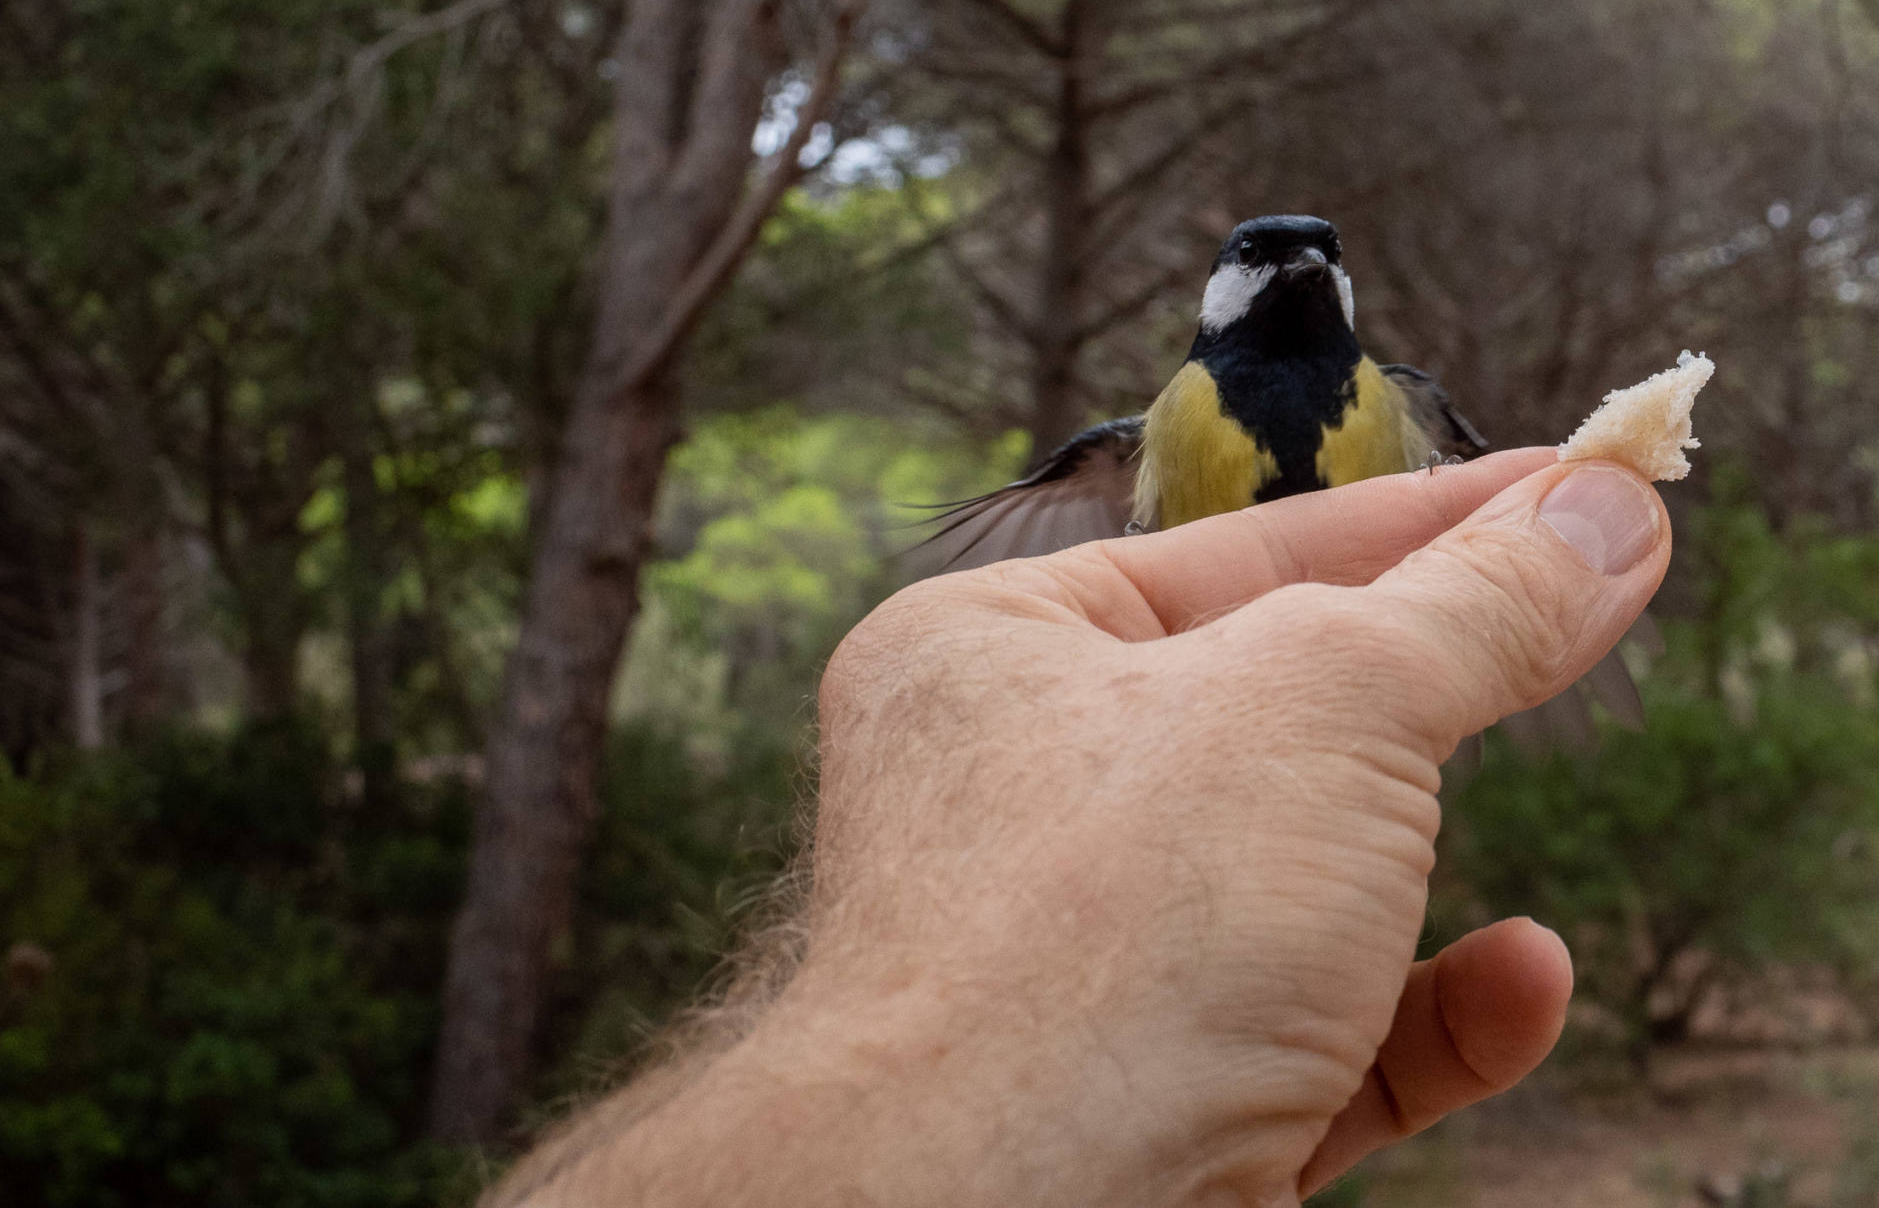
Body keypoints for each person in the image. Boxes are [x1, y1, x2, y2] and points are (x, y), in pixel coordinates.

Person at [491, 447, 1669, 1205]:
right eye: (1264, 259)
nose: (1300, 273)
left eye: (1322, 262)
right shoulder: (1166, 420)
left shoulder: (1387, 402)